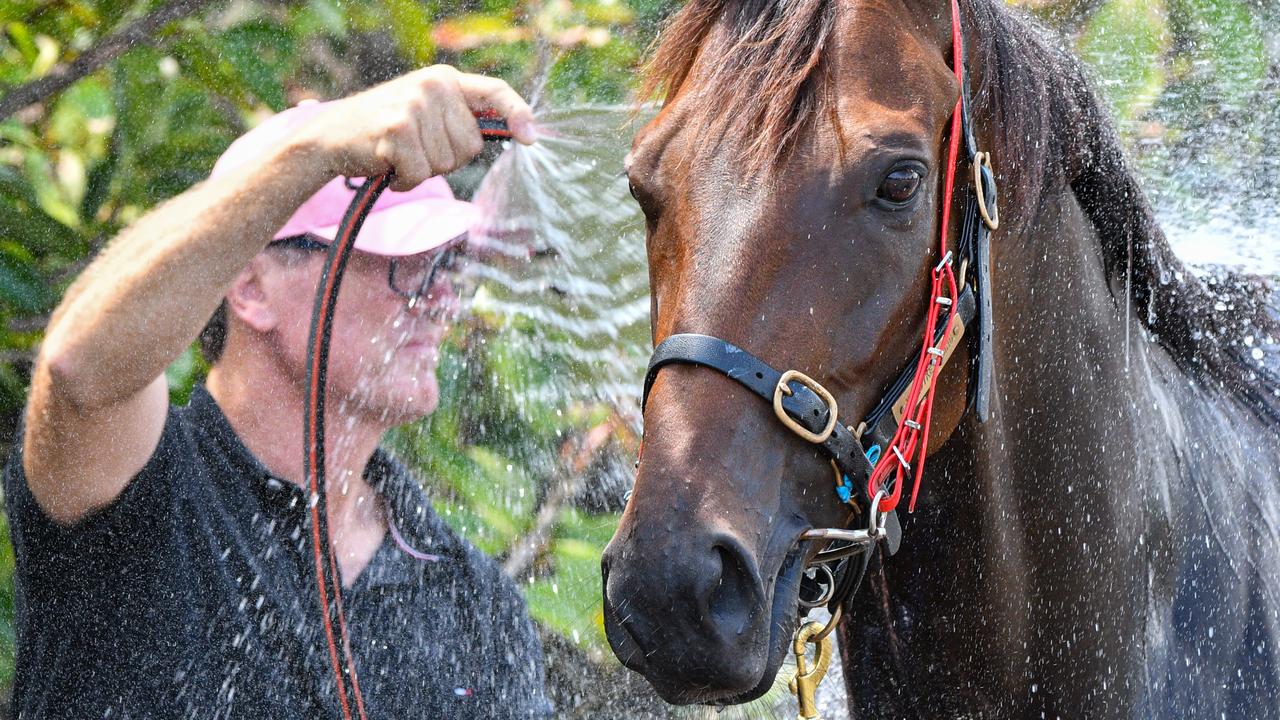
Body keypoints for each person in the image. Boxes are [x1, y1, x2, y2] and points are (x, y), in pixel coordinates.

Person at [4, 65, 551, 719]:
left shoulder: (472, 596)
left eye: (449, 265)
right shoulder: (146, 491)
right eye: (406, 263)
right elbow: (78, 371)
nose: (441, 300)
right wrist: (315, 149)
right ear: (251, 285)